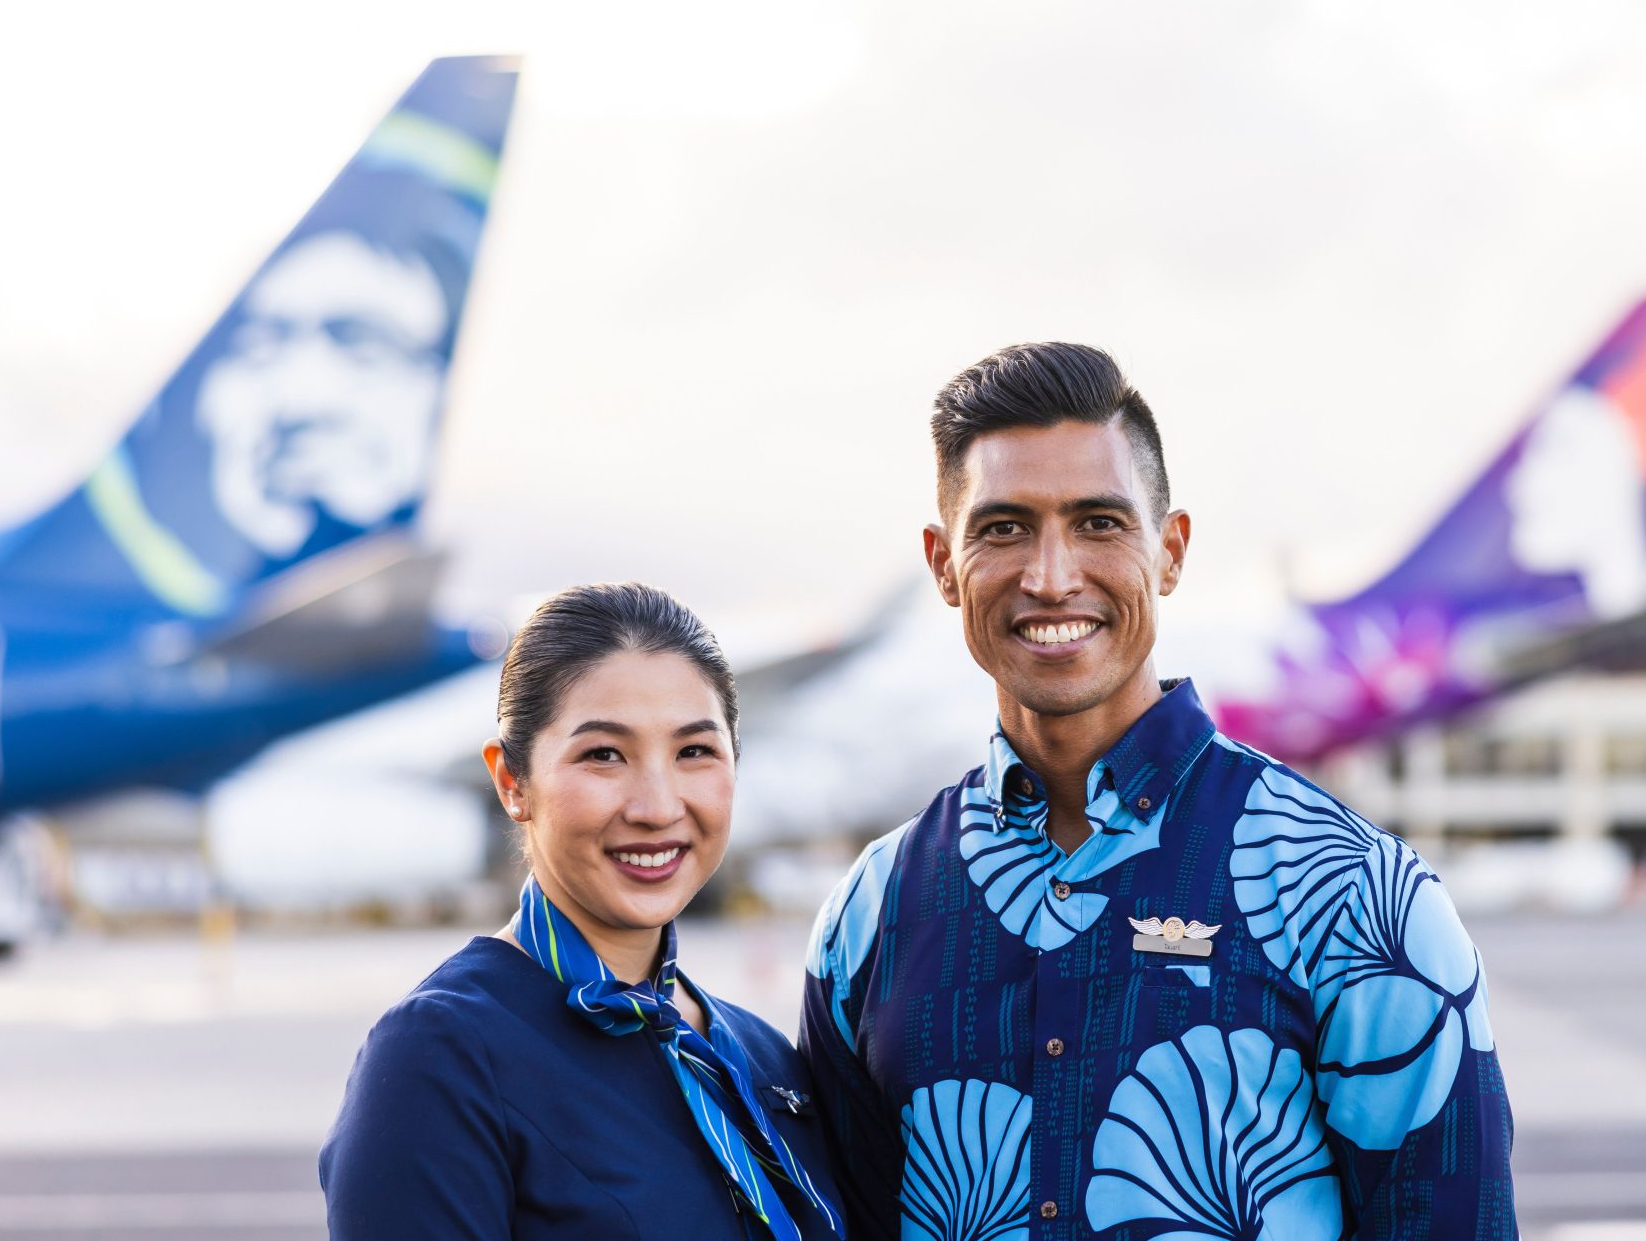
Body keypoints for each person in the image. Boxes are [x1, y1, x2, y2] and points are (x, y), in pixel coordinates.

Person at [799, 344, 1516, 1240]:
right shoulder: (871, 911)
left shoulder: (1356, 895)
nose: (1052, 576)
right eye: (1003, 528)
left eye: (1099, 523)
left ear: (1169, 551)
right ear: (944, 565)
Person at [323, 583, 848, 1241]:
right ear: (512, 783)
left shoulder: (760, 1056)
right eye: (603, 755)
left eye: (694, 752)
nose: (657, 806)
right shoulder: (440, 1058)